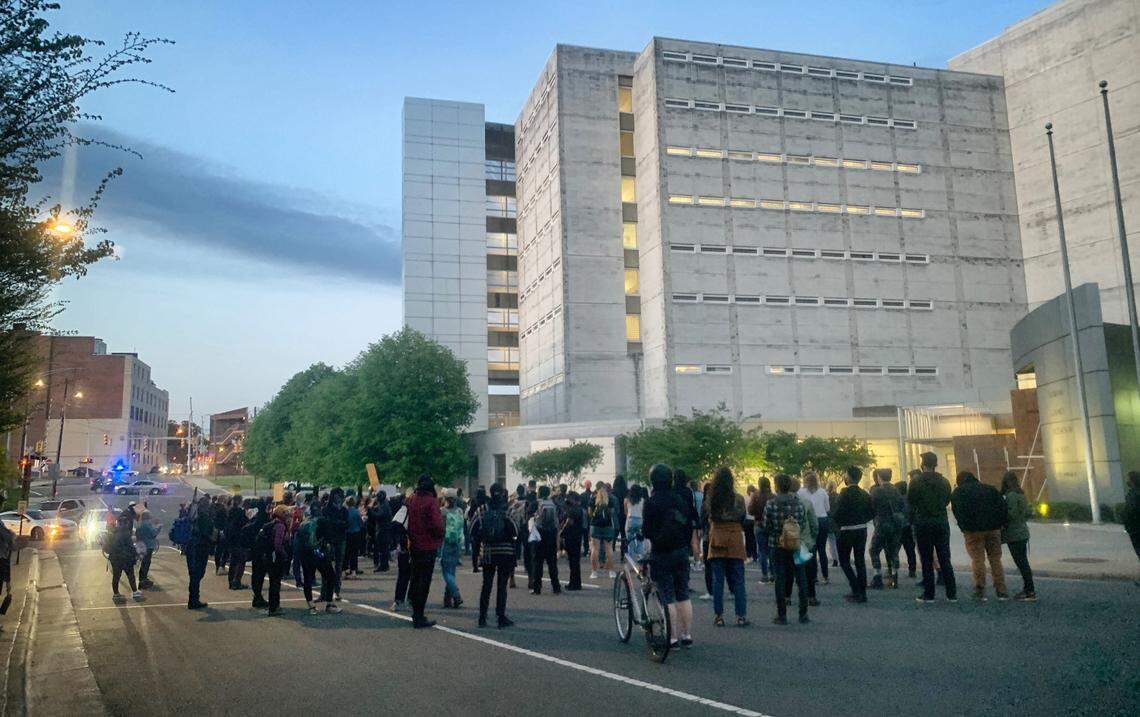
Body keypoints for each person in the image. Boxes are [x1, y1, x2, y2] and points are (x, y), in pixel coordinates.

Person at [643, 463, 694, 648]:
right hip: (681, 550)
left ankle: (672, 638)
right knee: (683, 594)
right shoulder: (679, 499)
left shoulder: (652, 502)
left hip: (661, 552)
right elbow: (688, 525)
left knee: (667, 595)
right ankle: (686, 635)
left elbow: (647, 530)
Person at [951, 470, 1009, 601]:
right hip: (993, 529)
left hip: (973, 531)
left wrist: (964, 527)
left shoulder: (959, 493)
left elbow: (957, 512)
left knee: (978, 560)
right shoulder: (990, 489)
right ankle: (1001, 590)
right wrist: (1001, 524)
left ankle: (980, 590)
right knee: (995, 559)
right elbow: (1002, 507)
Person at [703, 467, 749, 627]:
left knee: (718, 580)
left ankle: (719, 616)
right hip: (734, 537)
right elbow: (743, 517)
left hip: (717, 537)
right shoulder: (738, 499)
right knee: (738, 580)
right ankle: (741, 616)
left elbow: (707, 517)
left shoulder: (712, 499)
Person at [910, 452, 958, 603]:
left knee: (926, 559)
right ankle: (951, 593)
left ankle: (929, 594)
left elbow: (911, 501)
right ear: (935, 464)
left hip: (923, 522)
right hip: (941, 522)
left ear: (923, 465)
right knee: (945, 558)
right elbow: (947, 500)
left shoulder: (916, 482)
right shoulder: (944, 482)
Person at [762, 473, 809, 625]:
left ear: (776, 486)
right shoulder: (798, 503)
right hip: (796, 543)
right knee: (801, 579)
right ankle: (803, 613)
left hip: (777, 544)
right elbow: (802, 522)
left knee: (780, 579)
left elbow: (766, 525)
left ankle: (782, 614)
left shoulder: (771, 503)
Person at [475, 483, 518, 627]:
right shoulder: (508, 509)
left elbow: (472, 529)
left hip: (488, 552)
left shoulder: (482, 509)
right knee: (502, 586)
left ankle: (482, 617)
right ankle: (501, 617)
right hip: (505, 552)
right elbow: (515, 530)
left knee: (486, 585)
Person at [406, 474, 444, 628]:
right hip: (428, 545)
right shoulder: (431, 501)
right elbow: (437, 525)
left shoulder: (412, 499)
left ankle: (415, 612)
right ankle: (419, 615)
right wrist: (439, 536)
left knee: (415, 578)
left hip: (414, 543)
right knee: (424, 581)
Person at [832, 466, 874, 603]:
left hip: (846, 530)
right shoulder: (864, 494)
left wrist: (839, 524)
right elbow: (872, 511)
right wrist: (862, 519)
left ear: (849, 477)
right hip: (861, 529)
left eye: (845, 474)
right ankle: (862, 591)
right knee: (860, 561)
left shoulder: (844, 493)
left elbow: (837, 513)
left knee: (844, 561)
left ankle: (855, 587)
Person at [999, 471, 1036, 601]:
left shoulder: (1011, 496)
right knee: (1023, 562)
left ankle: (1029, 590)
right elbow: (1026, 513)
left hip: (1014, 534)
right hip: (1023, 531)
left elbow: (1011, 514)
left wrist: (1002, 517)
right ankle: (1028, 589)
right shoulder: (1021, 494)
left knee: (1021, 563)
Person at [296, 510, 339, 614]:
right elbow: (329, 538)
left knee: (308, 579)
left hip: (305, 553)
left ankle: (311, 605)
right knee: (330, 576)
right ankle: (329, 604)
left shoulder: (305, 522)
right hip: (318, 552)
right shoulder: (323, 521)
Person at [869, 468, 905, 590]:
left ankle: (877, 577)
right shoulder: (896, 490)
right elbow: (901, 506)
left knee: (874, 550)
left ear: (879, 477)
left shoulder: (877, 491)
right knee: (893, 551)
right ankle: (894, 577)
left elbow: (871, 507)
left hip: (882, 523)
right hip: (895, 525)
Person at [789, 477, 820, 607]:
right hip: (804, 541)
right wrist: (812, 537)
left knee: (787, 571)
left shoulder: (778, 503)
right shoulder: (806, 502)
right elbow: (814, 523)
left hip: (787, 542)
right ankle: (811, 596)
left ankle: (786, 597)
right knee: (808, 572)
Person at [798, 472, 831, 584]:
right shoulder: (823, 492)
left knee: (812, 549)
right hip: (823, 520)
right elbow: (827, 508)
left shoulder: (801, 493)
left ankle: (813, 576)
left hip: (810, 521)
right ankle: (825, 576)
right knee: (822, 549)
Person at [530, 485, 562, 594]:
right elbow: (557, 520)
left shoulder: (535, 503)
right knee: (552, 562)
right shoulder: (553, 503)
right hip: (551, 534)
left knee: (537, 562)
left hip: (538, 534)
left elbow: (529, 517)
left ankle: (537, 588)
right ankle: (556, 587)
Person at [104, 513, 142, 603]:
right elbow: (130, 547)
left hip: (115, 559)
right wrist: (136, 555)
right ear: (125, 523)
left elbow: (107, 548)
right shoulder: (126, 533)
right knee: (130, 575)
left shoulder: (112, 533)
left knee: (116, 576)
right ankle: (135, 592)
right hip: (126, 559)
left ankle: (116, 594)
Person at [185, 495, 213, 609]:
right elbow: (206, 533)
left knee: (193, 575)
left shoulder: (193, 516)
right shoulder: (204, 517)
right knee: (197, 574)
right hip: (200, 547)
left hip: (191, 546)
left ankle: (193, 598)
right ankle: (194, 600)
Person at [321, 488, 349, 600]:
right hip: (329, 540)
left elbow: (346, 524)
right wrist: (339, 523)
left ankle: (336, 591)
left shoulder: (344, 510)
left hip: (340, 539)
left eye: (340, 496)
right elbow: (325, 523)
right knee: (326, 566)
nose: (338, 498)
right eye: (336, 496)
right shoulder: (326, 509)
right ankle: (324, 593)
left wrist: (336, 523)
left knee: (338, 567)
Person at [265, 505, 292, 616]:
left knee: (273, 582)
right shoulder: (280, 526)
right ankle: (274, 607)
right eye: (286, 513)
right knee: (276, 583)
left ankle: (273, 606)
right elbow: (278, 544)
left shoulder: (272, 524)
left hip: (269, 556)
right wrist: (284, 554)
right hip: (276, 558)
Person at [748, 477, 774, 583]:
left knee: (762, 551)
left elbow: (750, 510)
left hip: (759, 524)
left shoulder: (756, 495)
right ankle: (773, 573)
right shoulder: (772, 496)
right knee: (771, 549)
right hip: (771, 525)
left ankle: (764, 575)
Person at [245, 500, 270, 609]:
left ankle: (257, 596)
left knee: (256, 574)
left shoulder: (255, 518)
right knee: (260, 574)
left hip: (255, 549)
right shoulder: (264, 518)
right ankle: (258, 597)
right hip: (262, 549)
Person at [440, 494, 464, 608]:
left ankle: (456, 594)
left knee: (446, 572)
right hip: (457, 543)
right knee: (452, 571)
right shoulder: (459, 511)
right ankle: (448, 599)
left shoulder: (443, 511)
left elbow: (441, 527)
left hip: (446, 542)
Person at [589, 485, 616, 579]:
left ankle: (594, 572)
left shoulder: (593, 499)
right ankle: (611, 571)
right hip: (608, 526)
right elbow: (612, 513)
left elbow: (590, 513)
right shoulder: (610, 500)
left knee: (594, 549)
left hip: (595, 525)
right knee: (609, 549)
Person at [390, 493, 412, 611]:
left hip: (402, 548)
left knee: (403, 575)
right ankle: (409, 600)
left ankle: (398, 600)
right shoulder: (409, 513)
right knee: (411, 575)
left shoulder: (399, 513)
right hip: (410, 547)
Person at [561, 491, 585, 590]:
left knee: (572, 561)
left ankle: (573, 583)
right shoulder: (580, 509)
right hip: (577, 536)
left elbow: (569, 522)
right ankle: (576, 582)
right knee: (575, 561)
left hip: (571, 536)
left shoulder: (572, 510)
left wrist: (562, 532)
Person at [225, 495, 248, 590]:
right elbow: (244, 522)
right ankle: (237, 581)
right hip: (238, 538)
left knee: (233, 561)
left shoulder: (230, 511)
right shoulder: (239, 511)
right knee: (241, 560)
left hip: (230, 538)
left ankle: (231, 581)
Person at [896, 480, 917, 579]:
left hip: (899, 528)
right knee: (910, 550)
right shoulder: (910, 500)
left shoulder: (898, 500)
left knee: (894, 549)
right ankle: (912, 570)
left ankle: (893, 570)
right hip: (909, 527)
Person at [135, 511, 159, 589]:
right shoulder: (147, 525)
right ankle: (143, 580)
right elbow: (153, 534)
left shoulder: (140, 525)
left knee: (143, 563)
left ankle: (142, 579)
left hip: (141, 546)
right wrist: (158, 527)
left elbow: (137, 534)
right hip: (148, 546)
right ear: (147, 518)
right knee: (146, 563)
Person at [1123, 471, 1140, 575]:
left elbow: (1132, 510)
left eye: (1129, 479)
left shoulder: (1135, 494)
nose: (1127, 481)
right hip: (1133, 527)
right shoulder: (1133, 493)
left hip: (1136, 528)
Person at [370, 491, 391, 572]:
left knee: (382, 549)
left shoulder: (384, 505)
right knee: (384, 549)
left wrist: (371, 510)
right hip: (384, 528)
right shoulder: (384, 504)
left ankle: (383, 565)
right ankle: (384, 565)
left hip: (383, 529)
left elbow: (379, 516)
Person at [467, 487, 487, 572]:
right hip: (485, 527)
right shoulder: (486, 501)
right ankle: (483, 562)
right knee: (485, 546)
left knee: (475, 548)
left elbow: (469, 514)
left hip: (475, 528)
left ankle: (475, 566)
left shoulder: (474, 501)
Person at [344, 496, 364, 579]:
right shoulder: (356, 512)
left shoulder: (345, 512)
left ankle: (345, 570)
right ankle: (354, 572)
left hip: (347, 534)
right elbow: (361, 523)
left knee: (346, 553)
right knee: (354, 553)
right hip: (356, 534)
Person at [624, 484, 645, 553]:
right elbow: (643, 512)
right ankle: (640, 555)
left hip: (630, 520)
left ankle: (631, 557)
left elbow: (625, 512)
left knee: (630, 541)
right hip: (640, 520)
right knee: (640, 540)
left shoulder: (627, 500)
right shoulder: (642, 500)